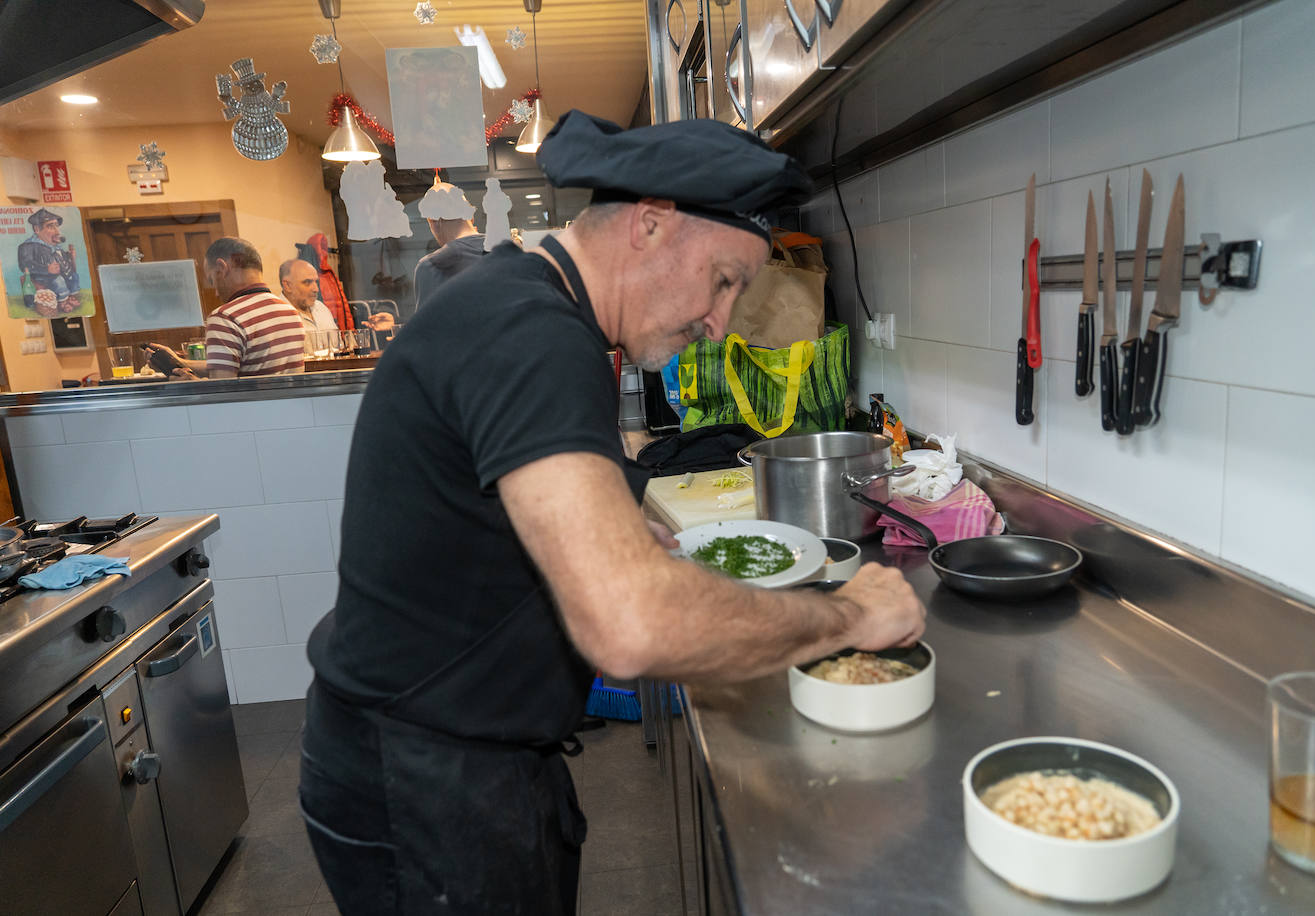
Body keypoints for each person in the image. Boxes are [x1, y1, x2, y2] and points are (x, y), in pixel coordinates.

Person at [301, 111, 926, 915]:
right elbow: (629, 629)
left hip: (442, 762)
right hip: (425, 790)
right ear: (652, 225)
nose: (720, 322)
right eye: (726, 280)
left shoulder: (530, 308)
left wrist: (623, 522)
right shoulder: (532, 334)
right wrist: (844, 617)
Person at [146, 237, 305, 378]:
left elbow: (222, 392)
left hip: (251, 411)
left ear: (222, 268)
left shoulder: (226, 318)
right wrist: (180, 361)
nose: (215, 292)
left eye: (212, 280)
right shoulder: (290, 312)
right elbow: (237, 365)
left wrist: (189, 382)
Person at [16, 208, 81, 316]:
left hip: (59, 275)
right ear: (37, 229)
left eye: (56, 226)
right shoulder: (28, 246)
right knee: (58, 281)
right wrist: (46, 269)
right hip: (42, 277)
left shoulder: (55, 246)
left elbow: (62, 260)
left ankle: (69, 296)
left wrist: (70, 257)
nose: (57, 231)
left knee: (73, 276)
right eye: (51, 226)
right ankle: (62, 302)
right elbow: (25, 265)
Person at [279, 259, 338, 350]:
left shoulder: (321, 308)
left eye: (316, 282)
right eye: (307, 282)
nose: (316, 289)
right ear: (287, 285)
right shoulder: (277, 317)